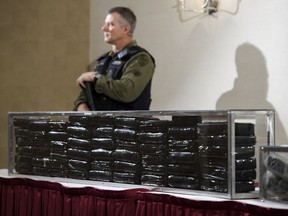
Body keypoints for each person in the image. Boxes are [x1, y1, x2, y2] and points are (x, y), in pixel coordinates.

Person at [73, 7, 155, 111]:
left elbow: (127, 91)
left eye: (110, 24)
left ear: (126, 29)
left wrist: (95, 77)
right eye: (105, 24)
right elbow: (85, 94)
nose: (103, 28)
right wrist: (82, 107)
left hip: (128, 125)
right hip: (100, 125)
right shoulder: (104, 60)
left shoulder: (140, 58)